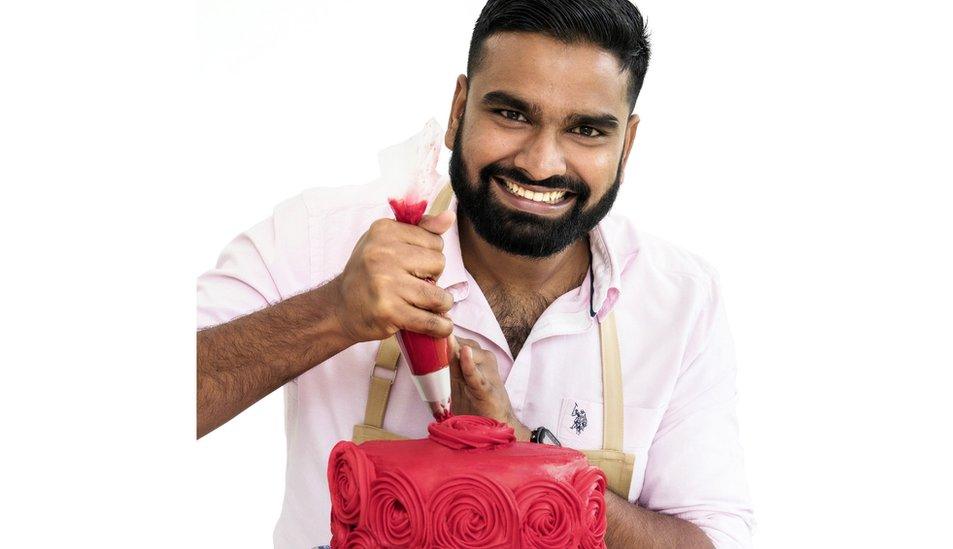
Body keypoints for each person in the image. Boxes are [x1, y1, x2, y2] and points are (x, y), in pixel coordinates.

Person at [197, 0, 755, 547]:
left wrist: (525, 452)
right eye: (512, 114)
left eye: (587, 130)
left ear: (626, 145)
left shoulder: (680, 301)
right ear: (459, 108)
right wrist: (332, 313)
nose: (541, 164)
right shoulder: (319, 237)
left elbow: (710, 540)